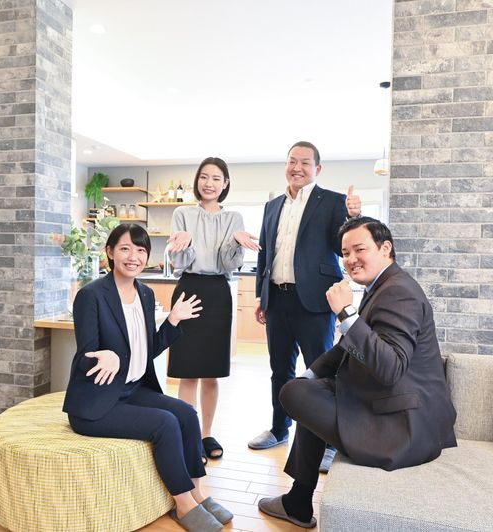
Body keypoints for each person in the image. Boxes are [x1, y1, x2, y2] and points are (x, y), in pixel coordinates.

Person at [257, 217, 458, 528]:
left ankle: (298, 501)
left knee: (295, 394)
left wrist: (346, 313)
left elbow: (390, 367)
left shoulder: (399, 292)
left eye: (359, 249)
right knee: (303, 391)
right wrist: (310, 375)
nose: (351, 259)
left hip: (406, 426)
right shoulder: (383, 286)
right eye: (345, 253)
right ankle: (298, 500)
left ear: (385, 248)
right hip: (393, 403)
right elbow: (346, 348)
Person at [63, 224, 232, 532]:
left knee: (186, 413)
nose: (134, 257)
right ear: (110, 252)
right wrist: (106, 355)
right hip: (97, 402)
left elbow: (146, 350)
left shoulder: (145, 293)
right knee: (165, 423)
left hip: (131, 389)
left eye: (141, 250)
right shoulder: (91, 296)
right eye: (125, 249)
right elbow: (86, 356)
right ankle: (183, 505)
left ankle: (197, 492)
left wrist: (172, 320)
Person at [248, 141, 361, 475]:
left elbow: (343, 245)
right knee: (279, 370)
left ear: (317, 169)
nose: (297, 168)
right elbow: (264, 254)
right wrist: (261, 296)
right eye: (292, 161)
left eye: (305, 163)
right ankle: (279, 429)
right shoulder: (272, 206)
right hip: (277, 298)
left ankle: (327, 442)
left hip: (314, 300)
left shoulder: (333, 202)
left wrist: (354, 217)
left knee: (320, 372)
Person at [166, 156, 260, 461]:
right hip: (189, 290)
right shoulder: (182, 214)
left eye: (216, 178)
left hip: (218, 293)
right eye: (204, 177)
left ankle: (206, 434)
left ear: (225, 184)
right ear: (197, 181)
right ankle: (189, 436)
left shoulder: (234, 218)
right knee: (187, 371)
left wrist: (236, 243)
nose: (209, 183)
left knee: (211, 372)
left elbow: (228, 264)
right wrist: (185, 243)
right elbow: (179, 261)